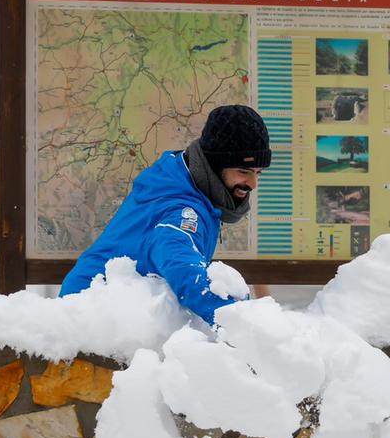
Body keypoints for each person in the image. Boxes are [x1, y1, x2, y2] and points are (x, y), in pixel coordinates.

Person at [59, 104, 269, 323]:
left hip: (95, 311)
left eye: (258, 173)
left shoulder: (179, 179)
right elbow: (182, 265)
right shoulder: (184, 210)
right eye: (244, 172)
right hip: (91, 320)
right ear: (215, 166)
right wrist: (239, 324)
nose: (253, 183)